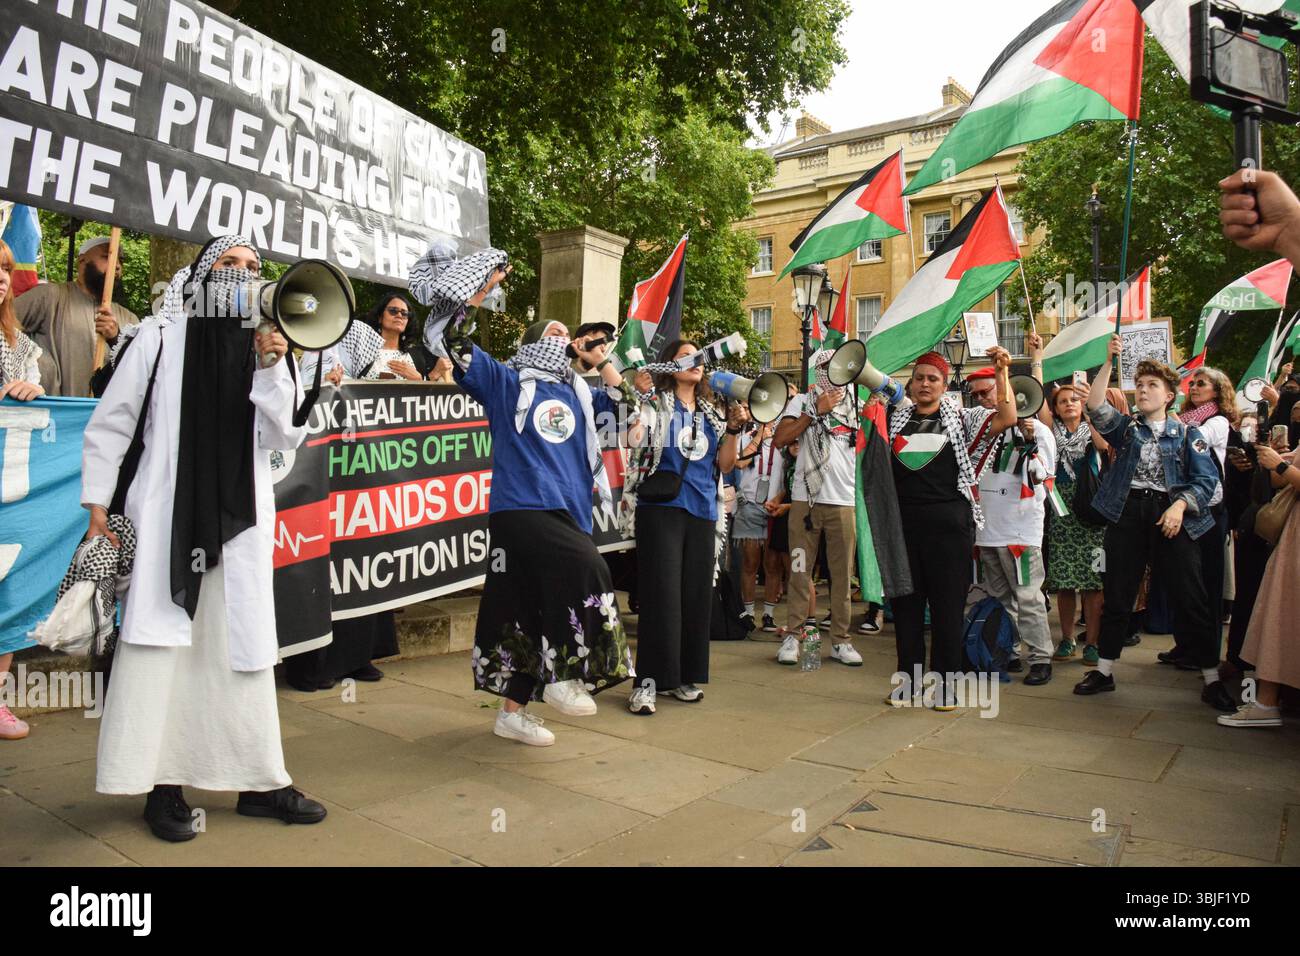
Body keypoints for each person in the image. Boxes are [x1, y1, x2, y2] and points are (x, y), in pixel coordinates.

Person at [81, 235, 327, 841]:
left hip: (238, 525)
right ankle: (161, 786)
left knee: (238, 649)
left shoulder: (269, 347)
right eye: (229, 264)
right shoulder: (159, 338)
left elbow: (286, 438)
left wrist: (274, 365)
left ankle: (260, 782)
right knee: (163, 646)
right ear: (201, 275)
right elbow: (112, 420)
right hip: (170, 519)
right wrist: (96, 509)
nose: (243, 275)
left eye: (253, 268)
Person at [445, 303, 636, 745]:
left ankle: (511, 713)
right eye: (552, 332)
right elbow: (457, 346)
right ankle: (565, 674)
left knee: (526, 613)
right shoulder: (507, 381)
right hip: (522, 506)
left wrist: (600, 357)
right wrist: (469, 303)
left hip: (569, 510)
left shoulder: (581, 393)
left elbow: (626, 405)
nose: (561, 338)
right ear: (531, 344)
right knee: (590, 566)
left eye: (565, 333)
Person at [1073, 335, 1232, 710]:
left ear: (1169, 396)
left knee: (1191, 598)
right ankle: (1105, 670)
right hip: (1128, 514)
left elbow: (1207, 481)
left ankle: (1211, 678)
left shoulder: (1189, 435)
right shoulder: (1127, 429)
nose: (1143, 391)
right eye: (1139, 385)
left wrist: (1179, 506)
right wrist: (1108, 363)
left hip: (1169, 516)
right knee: (1118, 595)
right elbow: (1095, 405)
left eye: (1152, 386)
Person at [888, 348, 1017, 708]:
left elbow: (1007, 416)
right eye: (919, 378)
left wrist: (1002, 371)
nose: (925, 384)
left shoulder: (963, 420)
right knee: (906, 608)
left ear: (945, 386)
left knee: (947, 609)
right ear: (910, 384)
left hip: (950, 529)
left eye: (933, 379)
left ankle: (945, 686)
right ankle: (907, 684)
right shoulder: (893, 420)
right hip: (903, 528)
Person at [622, 340, 744, 715]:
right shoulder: (655, 403)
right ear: (667, 367)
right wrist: (637, 401)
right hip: (662, 509)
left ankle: (682, 677)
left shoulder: (712, 412)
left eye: (699, 358)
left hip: (703, 511)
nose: (694, 363)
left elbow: (725, 465)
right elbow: (634, 440)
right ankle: (647, 682)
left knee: (694, 597)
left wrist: (735, 430)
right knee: (662, 596)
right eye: (684, 357)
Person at [964, 359, 1058, 686]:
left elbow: (1044, 477)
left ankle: (1041, 657)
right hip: (987, 531)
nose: (982, 400)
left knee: (1029, 597)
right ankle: (1011, 649)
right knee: (1001, 598)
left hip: (1020, 532)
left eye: (986, 392)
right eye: (974, 396)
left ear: (1005, 390)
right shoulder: (979, 428)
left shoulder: (1038, 430)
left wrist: (1029, 446)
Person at [772, 349, 865, 667]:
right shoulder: (800, 403)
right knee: (799, 571)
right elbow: (780, 439)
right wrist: (814, 411)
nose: (833, 373)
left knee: (842, 576)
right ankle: (793, 636)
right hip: (805, 502)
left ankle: (840, 640)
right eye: (826, 368)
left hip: (843, 503)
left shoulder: (856, 407)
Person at [1220, 434, 1300, 727]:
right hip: (1290, 537)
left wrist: (1281, 466)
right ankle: (1265, 702)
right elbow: (1281, 482)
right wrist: (1271, 462)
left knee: (1281, 614)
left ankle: (1266, 703)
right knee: (1277, 616)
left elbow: (1285, 476)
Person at [1159, 367, 1236, 670]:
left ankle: (1205, 651)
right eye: (1193, 383)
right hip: (1185, 506)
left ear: (1217, 391)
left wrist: (1166, 412)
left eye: (1201, 384)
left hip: (1209, 510)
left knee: (1207, 581)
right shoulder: (1187, 416)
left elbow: (1191, 440)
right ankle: (1185, 644)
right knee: (1183, 581)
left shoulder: (1216, 421)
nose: (1194, 387)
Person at [0, 238, 43, 740]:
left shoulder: (22, 344)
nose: (3, 277)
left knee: (9, 581)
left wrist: (34, 394)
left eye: (7, 268)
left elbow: (42, 413)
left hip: (11, 485)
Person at [16, 235, 138, 396]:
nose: (117, 265)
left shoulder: (130, 319)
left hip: (103, 417)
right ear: (82, 261)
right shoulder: (48, 297)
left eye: (120, 260)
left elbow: (140, 371)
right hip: (49, 413)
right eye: (107, 256)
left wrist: (116, 338)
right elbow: (4, 327)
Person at [1042, 380, 1108, 665]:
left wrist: (1091, 414)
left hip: (1092, 511)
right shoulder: (1051, 431)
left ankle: (1092, 642)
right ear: (1055, 409)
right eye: (1062, 401)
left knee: (1095, 582)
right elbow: (1038, 404)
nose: (1069, 403)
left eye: (1074, 400)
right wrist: (1037, 359)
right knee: (1065, 581)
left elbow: (1103, 445)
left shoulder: (1091, 427)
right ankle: (1067, 639)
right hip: (1062, 511)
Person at [732, 418, 785, 632]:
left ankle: (769, 615)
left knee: (772, 564)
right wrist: (758, 436)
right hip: (750, 506)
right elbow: (739, 462)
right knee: (749, 562)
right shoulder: (747, 437)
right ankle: (748, 613)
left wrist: (780, 499)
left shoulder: (784, 438)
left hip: (775, 508)